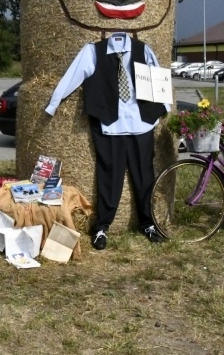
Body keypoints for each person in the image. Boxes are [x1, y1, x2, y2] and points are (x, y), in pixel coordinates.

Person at [45, 31, 168, 250]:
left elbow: (158, 78)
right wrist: (54, 104)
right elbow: (72, 76)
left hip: (141, 122)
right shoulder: (93, 51)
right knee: (109, 175)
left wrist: (164, 108)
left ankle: (148, 223)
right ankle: (101, 227)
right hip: (110, 124)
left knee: (145, 175)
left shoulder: (143, 50)